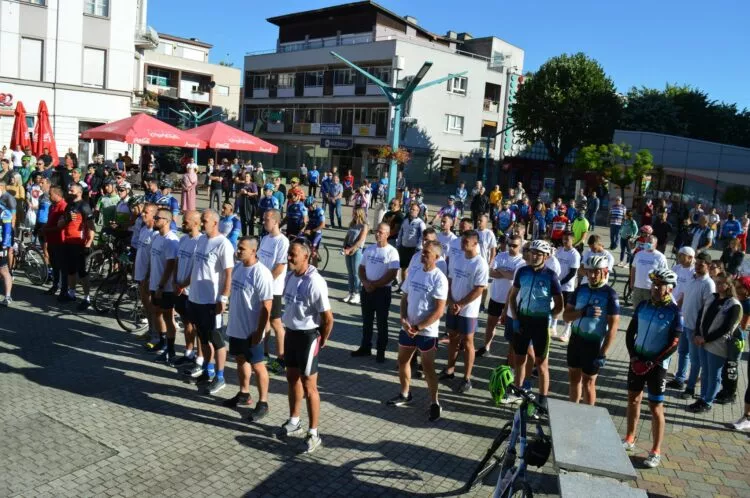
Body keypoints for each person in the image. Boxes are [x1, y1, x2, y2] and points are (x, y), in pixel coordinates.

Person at [277, 238, 334, 454]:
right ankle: (294, 421)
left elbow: (328, 318)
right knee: (292, 378)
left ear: (306, 256)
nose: (289, 257)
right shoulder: (290, 276)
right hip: (291, 334)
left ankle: (314, 433)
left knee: (309, 386)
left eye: (293, 254)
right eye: (289, 253)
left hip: (308, 337)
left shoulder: (315, 282)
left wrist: (322, 339)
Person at [622, 269, 681, 469]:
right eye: (654, 284)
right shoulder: (643, 305)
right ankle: (630, 438)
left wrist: (652, 362)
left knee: (655, 407)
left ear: (669, 288)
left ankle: (655, 451)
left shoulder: (675, 312)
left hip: (657, 366)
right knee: (633, 399)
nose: (655, 288)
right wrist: (633, 356)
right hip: (637, 360)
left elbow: (674, 344)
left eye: (660, 285)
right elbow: (630, 332)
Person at [388, 240, 448, 421]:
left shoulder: (439, 279)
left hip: (427, 332)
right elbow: (404, 298)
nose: (422, 254)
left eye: (426, 253)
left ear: (436, 257)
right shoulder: (414, 272)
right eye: (423, 251)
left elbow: (439, 311)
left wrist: (418, 327)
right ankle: (405, 394)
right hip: (408, 328)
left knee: (428, 368)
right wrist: (403, 319)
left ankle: (434, 402)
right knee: (402, 361)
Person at [506, 240, 563, 407]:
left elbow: (560, 304)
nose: (535, 256)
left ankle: (542, 400)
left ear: (546, 256)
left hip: (540, 323)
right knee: (519, 359)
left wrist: (550, 317)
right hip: (522, 321)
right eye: (532, 252)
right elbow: (512, 297)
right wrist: (515, 318)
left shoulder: (551, 276)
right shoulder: (522, 271)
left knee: (541, 363)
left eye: (539, 253)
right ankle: (518, 392)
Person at [223, 237, 272, 421]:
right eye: (238, 247)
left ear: (253, 251)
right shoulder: (238, 268)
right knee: (240, 359)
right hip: (236, 327)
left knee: (258, 366)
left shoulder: (261, 273)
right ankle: (244, 393)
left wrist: (259, 332)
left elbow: (267, 306)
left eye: (242, 248)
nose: (238, 251)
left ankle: (263, 403)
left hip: (252, 330)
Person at [186, 209, 234, 395]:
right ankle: (209, 369)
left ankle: (220, 377)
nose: (201, 223)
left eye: (205, 220)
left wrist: (224, 297)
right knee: (203, 337)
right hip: (196, 298)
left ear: (215, 223)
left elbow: (229, 273)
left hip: (211, 301)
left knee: (217, 340)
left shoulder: (223, 244)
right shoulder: (201, 240)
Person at [563, 255, 620, 405]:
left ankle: (589, 415)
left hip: (593, 345)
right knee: (573, 379)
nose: (593, 275)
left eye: (597, 271)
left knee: (588, 383)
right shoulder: (580, 289)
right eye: (590, 271)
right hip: (575, 341)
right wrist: (581, 312)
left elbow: (613, 328)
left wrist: (603, 352)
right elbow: (566, 316)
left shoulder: (610, 295)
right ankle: (572, 410)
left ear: (605, 272)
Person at [440, 230, 489, 393]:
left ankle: (467, 378)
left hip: (468, 311)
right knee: (452, 338)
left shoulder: (480, 264)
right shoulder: (457, 258)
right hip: (453, 306)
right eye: (462, 241)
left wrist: (460, 304)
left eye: (466, 242)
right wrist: (450, 300)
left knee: (468, 342)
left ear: (475, 243)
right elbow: (450, 280)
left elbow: (479, 289)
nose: (462, 244)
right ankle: (450, 370)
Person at [686, 273, 741, 413]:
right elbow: (700, 316)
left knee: (714, 375)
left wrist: (706, 338)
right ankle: (702, 398)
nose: (717, 285)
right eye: (717, 282)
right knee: (705, 373)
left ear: (729, 285)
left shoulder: (734, 304)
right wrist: (697, 333)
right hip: (702, 341)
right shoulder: (712, 297)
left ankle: (708, 402)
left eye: (721, 283)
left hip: (717, 345)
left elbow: (726, 328)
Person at [667, 253, 715, 395]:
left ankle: (690, 388)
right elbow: (684, 296)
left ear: (708, 266)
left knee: (695, 360)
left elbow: (708, 309)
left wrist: (700, 331)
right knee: (682, 353)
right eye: (697, 263)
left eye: (701, 264)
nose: (697, 266)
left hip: (695, 328)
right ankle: (679, 379)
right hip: (684, 323)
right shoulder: (692, 278)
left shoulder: (708, 284)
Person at [353, 222, 399, 362]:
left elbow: (392, 273)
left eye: (381, 232)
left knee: (381, 322)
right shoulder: (369, 249)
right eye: (377, 231)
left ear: (387, 234)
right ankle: (365, 347)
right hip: (367, 290)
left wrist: (375, 285)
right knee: (367, 321)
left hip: (382, 292)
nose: (377, 234)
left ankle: (380, 351)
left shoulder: (392, 252)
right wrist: (365, 282)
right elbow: (361, 268)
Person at [478, 234, 525, 358]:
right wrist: (507, 273)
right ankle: (486, 347)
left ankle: (510, 357)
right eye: (509, 245)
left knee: (511, 330)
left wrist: (500, 270)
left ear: (520, 246)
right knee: (490, 324)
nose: (511, 248)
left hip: (511, 300)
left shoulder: (522, 262)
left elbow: (513, 276)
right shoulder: (500, 255)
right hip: (496, 297)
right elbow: (491, 272)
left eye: (514, 245)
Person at [258, 210, 289, 375]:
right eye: (263, 219)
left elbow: (279, 267)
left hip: (274, 289)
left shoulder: (283, 241)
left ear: (276, 222)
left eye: (266, 219)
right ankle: (264, 353)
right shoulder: (265, 239)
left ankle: (282, 359)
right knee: (264, 320)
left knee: (276, 322)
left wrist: (266, 283)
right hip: (262, 287)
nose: (263, 221)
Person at [149, 208, 180, 364]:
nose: (154, 219)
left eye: (157, 218)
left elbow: (170, 265)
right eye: (155, 217)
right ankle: (162, 342)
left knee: (168, 317)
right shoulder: (156, 237)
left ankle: (171, 349)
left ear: (167, 221)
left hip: (165, 287)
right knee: (157, 312)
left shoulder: (171, 240)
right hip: (154, 283)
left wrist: (161, 286)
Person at [58, 184, 95, 310]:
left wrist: (89, 243)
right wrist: (67, 219)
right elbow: (60, 224)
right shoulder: (69, 205)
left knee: (82, 272)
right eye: (69, 190)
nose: (69, 192)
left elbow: (91, 227)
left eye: (71, 190)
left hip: (79, 243)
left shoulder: (84, 206)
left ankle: (87, 298)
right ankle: (72, 293)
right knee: (71, 270)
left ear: (79, 192)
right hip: (68, 242)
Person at [174, 211, 202, 374]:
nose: (182, 224)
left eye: (186, 221)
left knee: (197, 326)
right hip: (180, 289)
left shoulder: (200, 242)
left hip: (192, 291)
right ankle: (188, 352)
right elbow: (177, 260)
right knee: (186, 323)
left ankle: (200, 358)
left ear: (196, 223)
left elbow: (197, 269)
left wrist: (184, 284)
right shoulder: (183, 239)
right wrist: (175, 281)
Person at [553, 231, 582, 342]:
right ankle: (553, 328)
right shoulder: (559, 251)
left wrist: (560, 283)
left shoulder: (575, 254)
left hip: (567, 288)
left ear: (573, 240)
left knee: (567, 310)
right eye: (563, 239)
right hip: (557, 285)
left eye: (567, 239)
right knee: (556, 307)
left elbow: (572, 273)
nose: (564, 241)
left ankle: (566, 333)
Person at [728, 278, 750, 419]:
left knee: (732, 365)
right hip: (732, 336)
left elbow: (743, 325)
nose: (736, 288)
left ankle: (731, 393)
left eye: (739, 286)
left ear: (746, 290)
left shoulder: (747, 304)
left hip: (738, 339)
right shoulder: (738, 300)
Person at [630, 234, 669, 307]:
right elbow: (633, 268)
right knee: (636, 308)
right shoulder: (639, 254)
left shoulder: (660, 257)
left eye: (650, 242)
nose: (647, 244)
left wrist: (658, 289)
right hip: (637, 287)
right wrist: (632, 282)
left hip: (651, 289)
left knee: (648, 309)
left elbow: (664, 275)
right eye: (646, 242)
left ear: (655, 245)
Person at [396, 203, 425, 292]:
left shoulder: (420, 223)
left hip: (414, 249)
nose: (411, 211)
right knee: (403, 268)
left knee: (412, 269)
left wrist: (419, 248)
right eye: (411, 209)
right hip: (403, 247)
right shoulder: (405, 221)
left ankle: (410, 288)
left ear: (418, 211)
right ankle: (403, 287)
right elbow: (401, 233)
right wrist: (398, 244)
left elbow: (423, 236)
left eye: (414, 209)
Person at [342, 207, 368, 304]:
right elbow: (347, 236)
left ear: (360, 214)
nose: (354, 215)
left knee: (356, 273)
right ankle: (350, 292)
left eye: (355, 213)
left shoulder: (364, 226)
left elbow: (360, 240)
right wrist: (344, 246)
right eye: (353, 213)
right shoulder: (352, 224)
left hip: (357, 251)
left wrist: (351, 249)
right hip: (348, 249)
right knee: (350, 273)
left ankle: (357, 293)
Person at [0, 199, 13, 305]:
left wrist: (4, 245)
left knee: (3, 270)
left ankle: (8, 297)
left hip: (0, 244)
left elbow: (8, 230)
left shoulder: (4, 211)